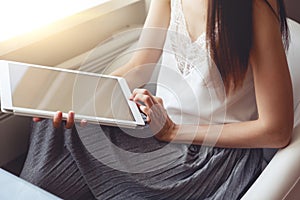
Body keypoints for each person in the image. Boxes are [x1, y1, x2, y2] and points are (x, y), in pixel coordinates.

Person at [20, 0, 293, 199]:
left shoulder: (255, 8)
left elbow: (276, 130)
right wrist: (82, 96)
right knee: (57, 123)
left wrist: (173, 131)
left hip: (208, 155)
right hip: (157, 129)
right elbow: (140, 64)